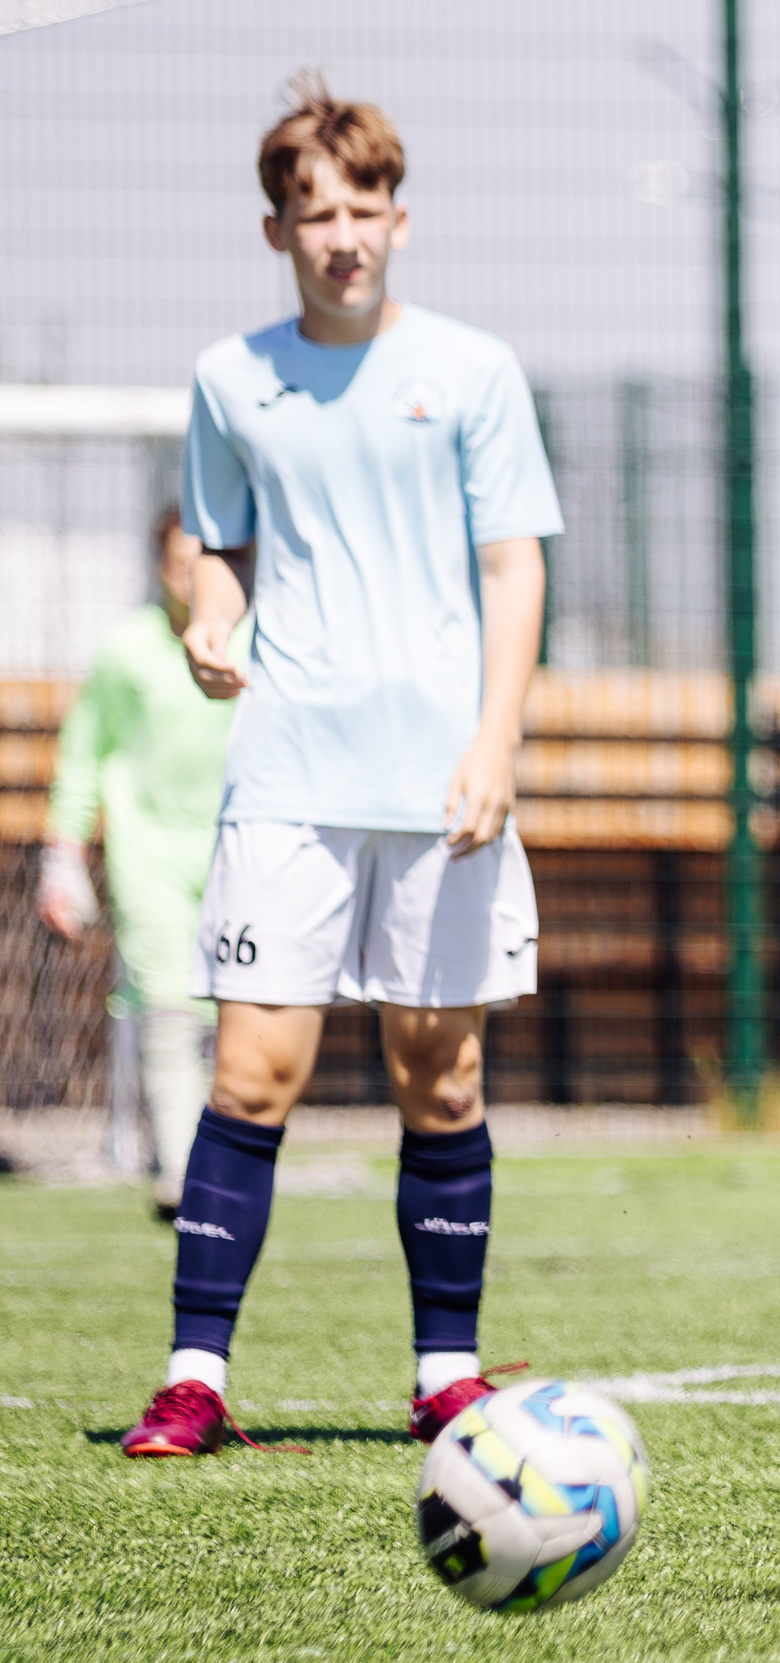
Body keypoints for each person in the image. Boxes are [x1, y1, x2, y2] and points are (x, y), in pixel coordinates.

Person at [118, 74, 561, 1458]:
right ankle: (194, 1378)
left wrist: (497, 741)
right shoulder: (230, 379)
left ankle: (445, 1372)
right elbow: (215, 541)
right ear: (278, 232)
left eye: (364, 205)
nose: (343, 233)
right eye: (316, 211)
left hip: (444, 784)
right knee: (253, 1074)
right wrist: (205, 610)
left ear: (400, 217)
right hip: (291, 775)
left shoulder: (474, 371)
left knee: (444, 1078)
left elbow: (513, 562)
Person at [40, 510, 236, 1217]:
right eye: (181, 559)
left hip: (242, 853)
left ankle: (227, 1159)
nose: (194, 573)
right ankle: (184, 1172)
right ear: (158, 565)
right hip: (149, 853)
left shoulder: (261, 643)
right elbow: (85, 755)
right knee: (168, 1007)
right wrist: (62, 855)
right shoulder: (126, 649)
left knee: (241, 1017)